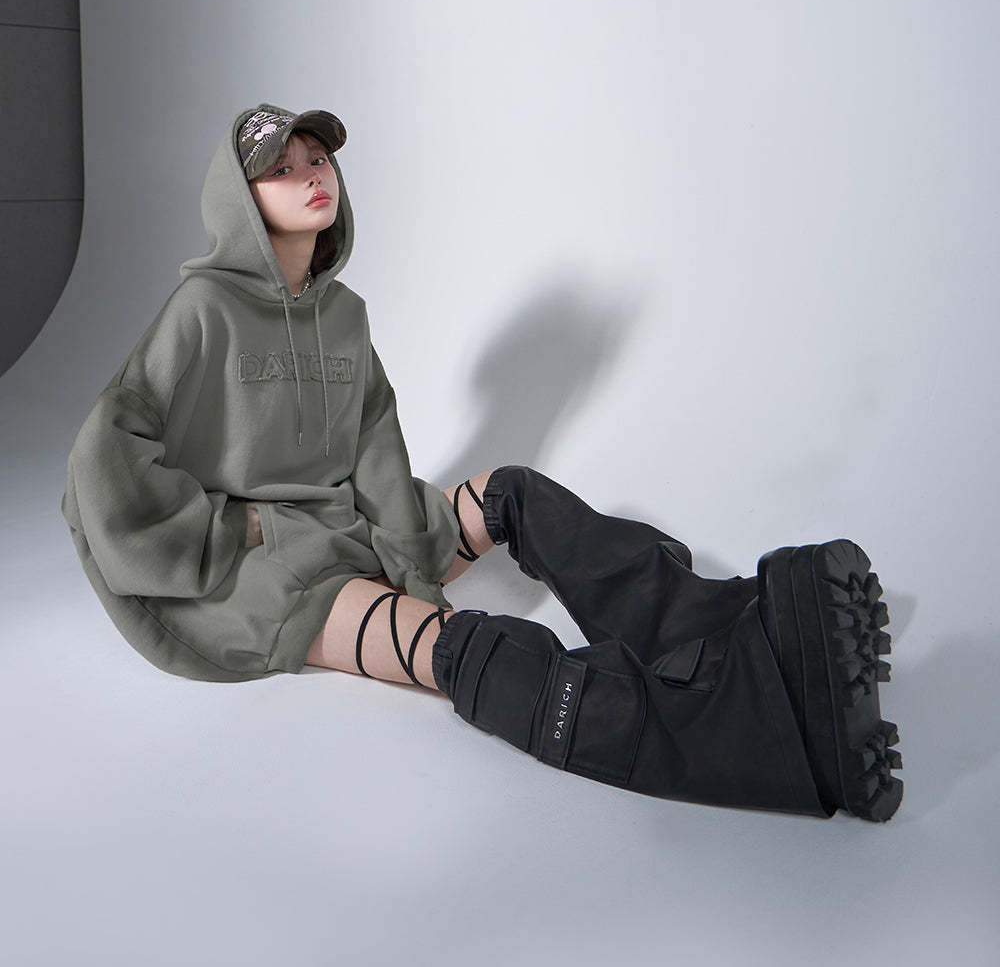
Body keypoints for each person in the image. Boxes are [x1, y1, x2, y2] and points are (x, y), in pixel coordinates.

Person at [62, 102, 903, 822]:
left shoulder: (343, 315)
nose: (312, 175)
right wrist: (232, 528)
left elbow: (375, 442)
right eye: (282, 169)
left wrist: (410, 560)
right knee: (452, 645)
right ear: (240, 200)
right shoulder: (202, 309)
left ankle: (733, 627)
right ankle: (733, 738)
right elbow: (104, 453)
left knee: (512, 492)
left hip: (344, 529)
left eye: (317, 159)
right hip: (269, 583)